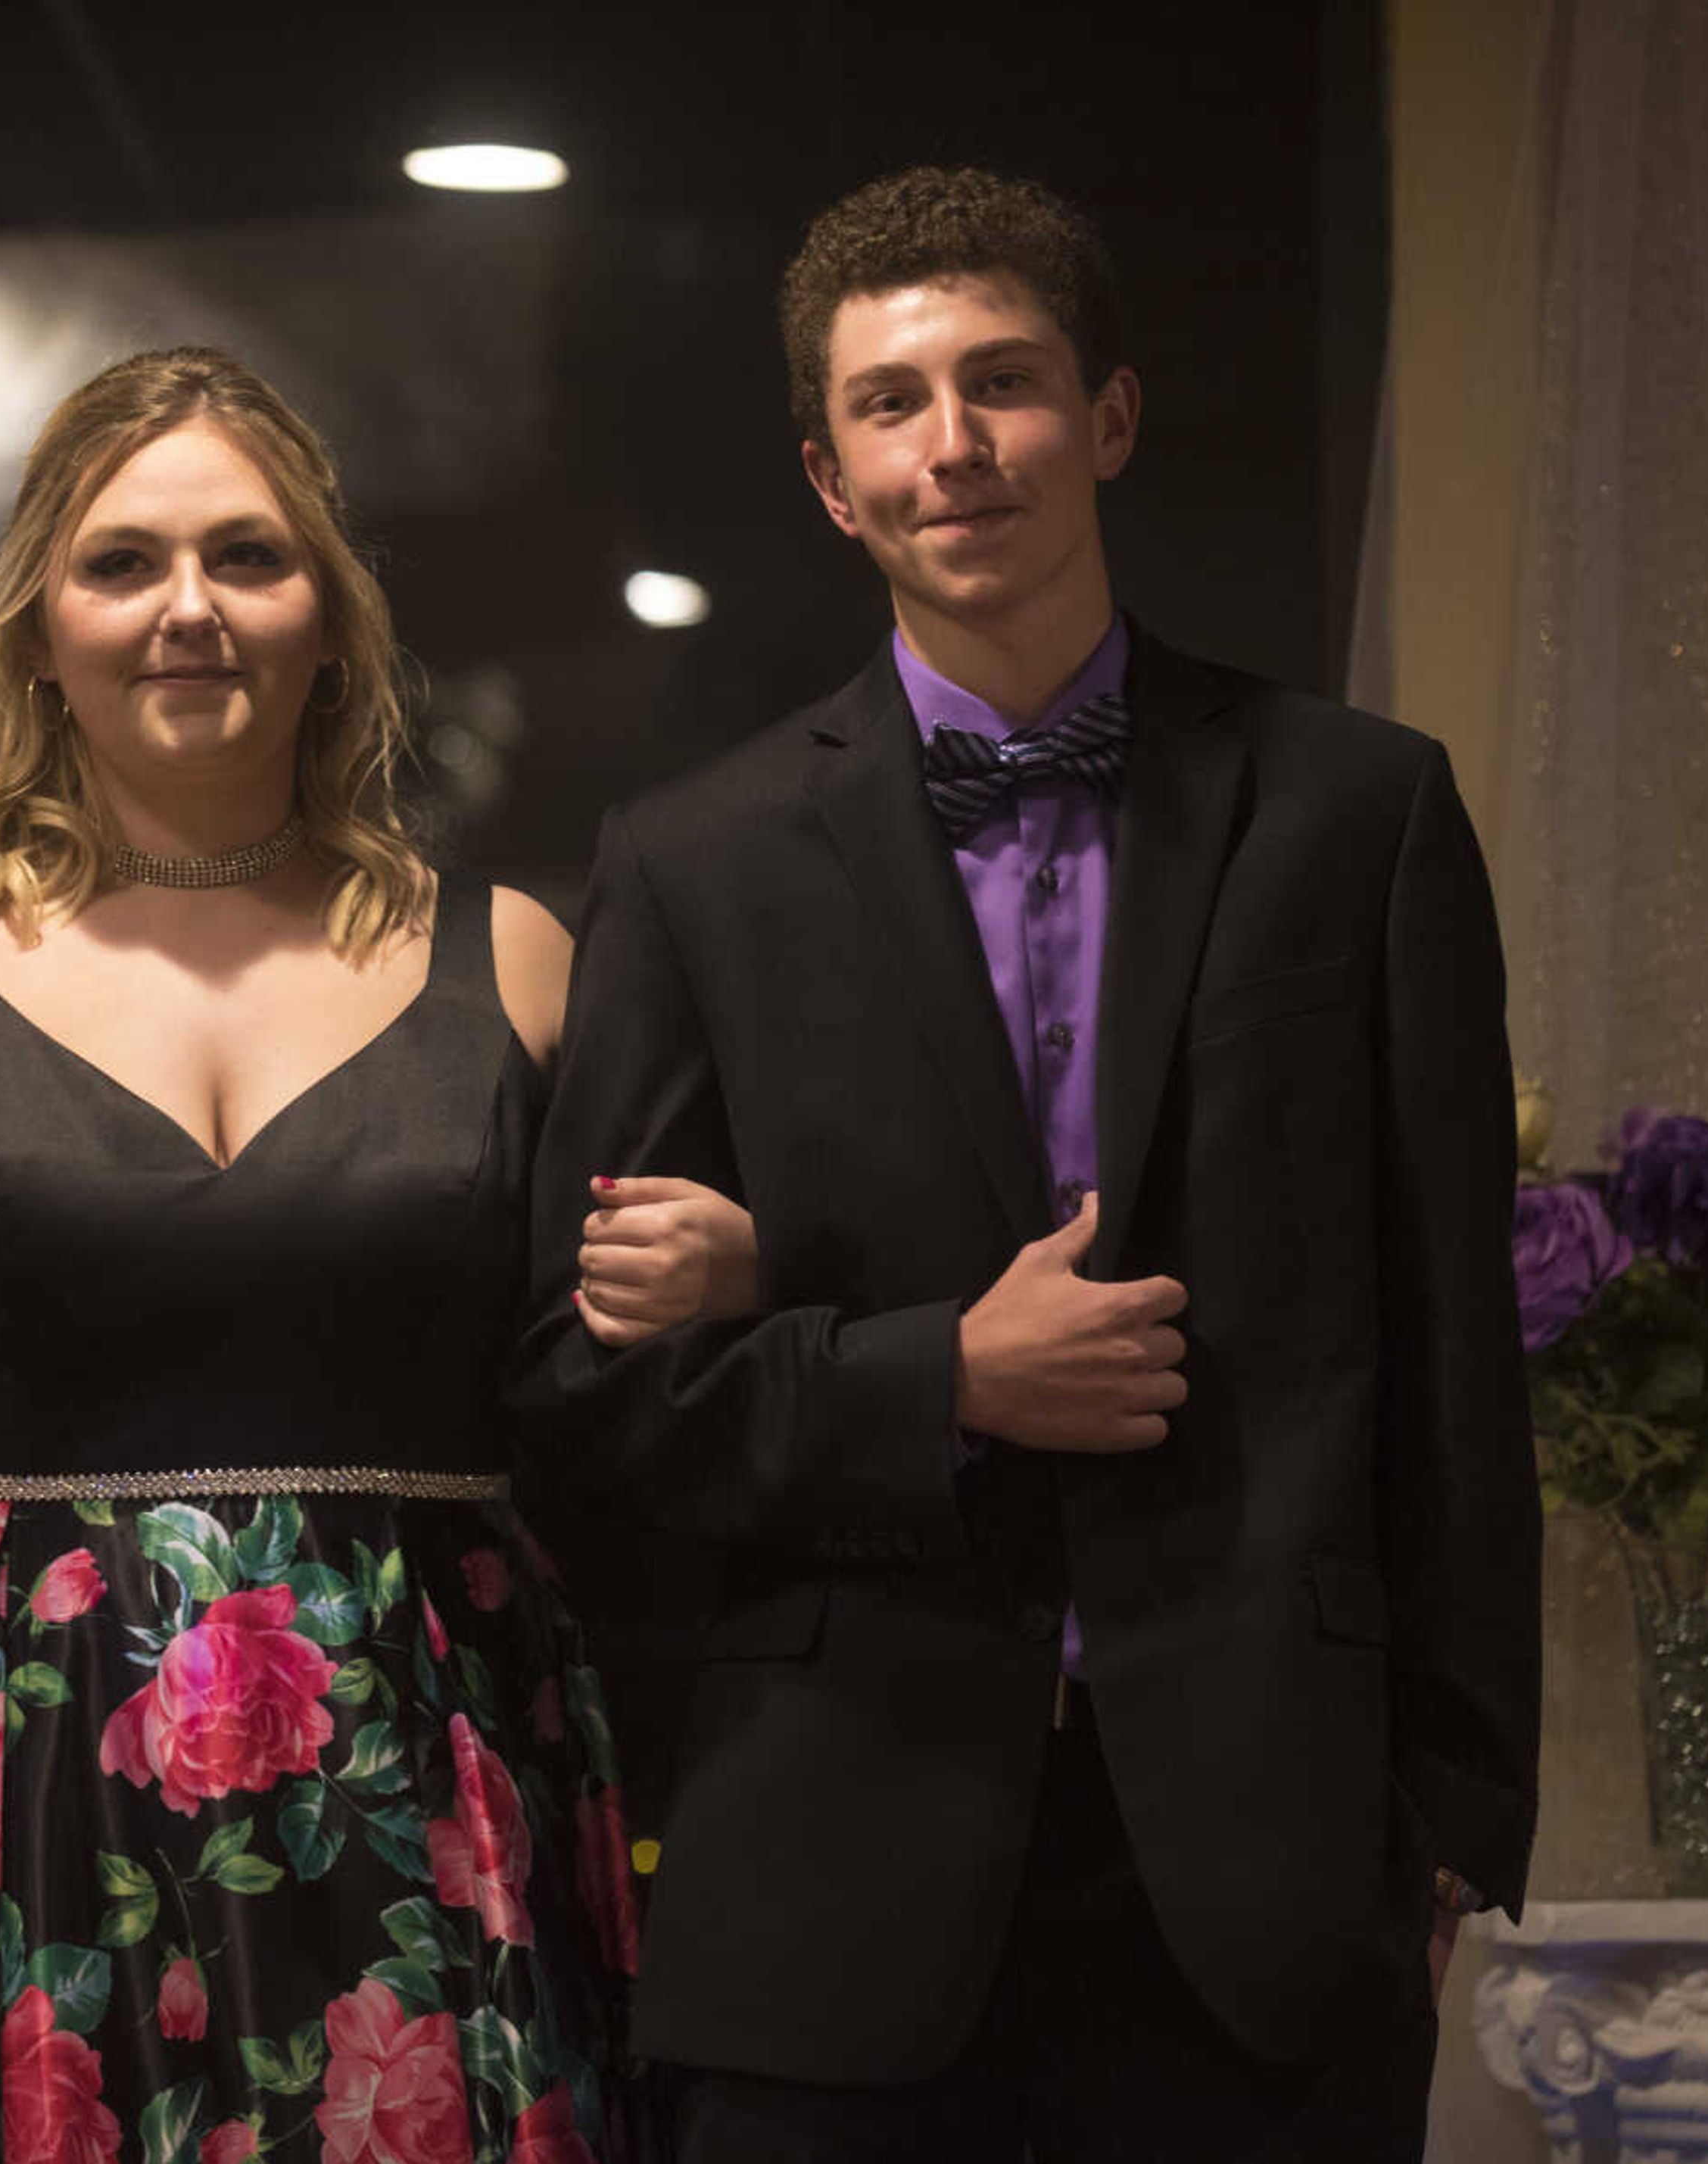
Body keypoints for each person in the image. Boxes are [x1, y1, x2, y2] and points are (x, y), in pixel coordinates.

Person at [513, 167, 1542, 2161]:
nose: (956, 444)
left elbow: (1451, 1353)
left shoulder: (1361, 814)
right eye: (895, 403)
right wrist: (943, 1383)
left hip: (1271, 1876)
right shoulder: (690, 862)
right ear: (830, 477)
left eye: (1008, 382)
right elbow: (587, 1399)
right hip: (829, 1857)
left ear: (1114, 419)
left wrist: (1451, 1814)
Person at [0, 345, 743, 2164]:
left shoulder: (523, 961)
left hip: (422, 1799)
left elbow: (652, 1378)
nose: (187, 610)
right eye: (121, 562)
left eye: (247, 556)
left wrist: (722, 1265)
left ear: (333, 617)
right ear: (36, 630)